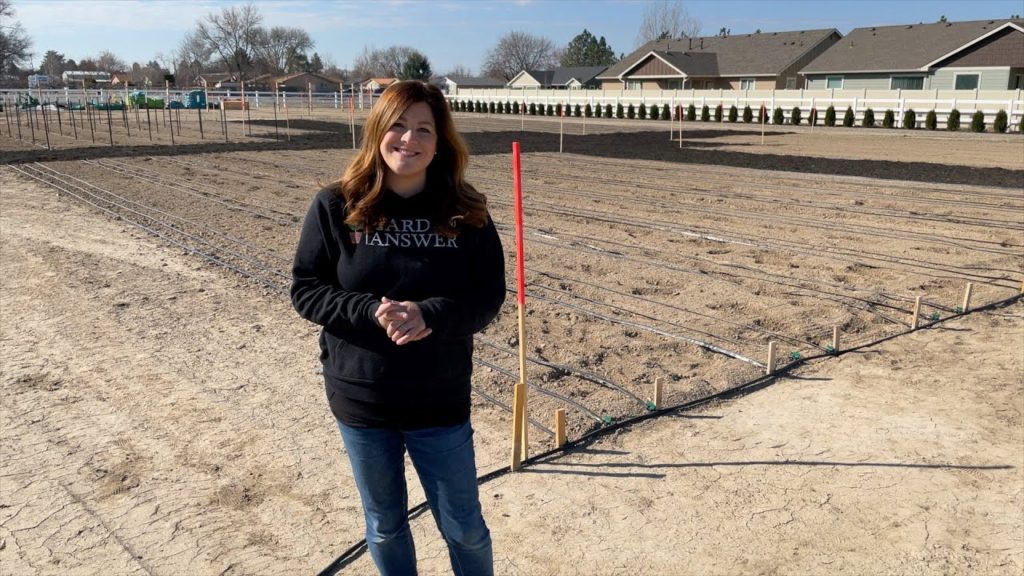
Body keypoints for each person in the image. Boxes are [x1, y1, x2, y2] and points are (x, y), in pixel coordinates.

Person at [291, 80, 505, 576]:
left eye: (423, 129)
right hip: (362, 397)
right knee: (386, 523)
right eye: (398, 125)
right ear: (377, 132)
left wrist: (429, 314)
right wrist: (370, 311)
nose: (409, 139)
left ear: (440, 141)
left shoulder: (466, 212)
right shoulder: (335, 206)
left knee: (464, 525)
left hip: (439, 398)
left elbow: (486, 297)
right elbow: (306, 289)